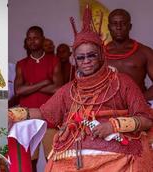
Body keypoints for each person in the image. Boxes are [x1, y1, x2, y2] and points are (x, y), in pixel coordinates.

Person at [9, 5, 153, 171]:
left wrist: (113, 126)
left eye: (91, 55)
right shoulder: (70, 89)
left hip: (117, 151)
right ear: (75, 60)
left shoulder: (123, 82)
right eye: (81, 57)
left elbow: (145, 119)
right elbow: (44, 112)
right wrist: (14, 114)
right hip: (74, 150)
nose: (86, 61)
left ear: (101, 56)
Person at [105, 8, 153, 168]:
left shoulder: (145, 52)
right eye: (114, 24)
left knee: (144, 153)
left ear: (130, 26)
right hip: (108, 111)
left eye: (123, 24)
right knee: (111, 156)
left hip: (140, 112)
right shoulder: (99, 55)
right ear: (109, 26)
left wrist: (141, 99)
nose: (119, 27)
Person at [11, 26, 63, 172]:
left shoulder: (54, 60)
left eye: (36, 37)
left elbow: (58, 89)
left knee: (53, 161)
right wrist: (45, 82)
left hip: (50, 118)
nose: (32, 41)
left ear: (42, 39)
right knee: (30, 162)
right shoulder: (21, 64)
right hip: (28, 119)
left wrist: (31, 86)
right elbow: (18, 90)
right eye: (29, 38)